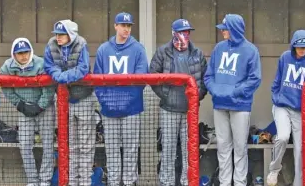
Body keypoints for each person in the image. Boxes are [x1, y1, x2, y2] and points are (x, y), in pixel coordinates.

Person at [204, 14, 262, 185]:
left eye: (225, 29)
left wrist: (233, 92)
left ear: (234, 30)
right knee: (223, 147)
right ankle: (224, 183)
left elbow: (255, 79)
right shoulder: (219, 48)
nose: (222, 32)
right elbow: (209, 76)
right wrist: (216, 91)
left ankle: (239, 182)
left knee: (240, 148)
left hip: (240, 106)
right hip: (219, 105)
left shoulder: (251, 50)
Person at [149, 18, 207, 186]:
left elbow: (205, 79)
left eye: (187, 32)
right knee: (168, 150)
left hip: (190, 110)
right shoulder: (163, 51)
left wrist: (197, 97)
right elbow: (153, 75)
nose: (185, 35)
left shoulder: (197, 52)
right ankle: (166, 183)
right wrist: (165, 95)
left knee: (189, 151)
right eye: (182, 32)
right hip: (168, 109)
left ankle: (187, 182)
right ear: (174, 33)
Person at [93, 12, 148, 186]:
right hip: (110, 109)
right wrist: (106, 101)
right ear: (115, 26)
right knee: (112, 150)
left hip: (131, 109)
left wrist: (126, 100)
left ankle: (130, 182)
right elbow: (97, 79)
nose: (126, 29)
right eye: (123, 25)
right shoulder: (103, 49)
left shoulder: (138, 48)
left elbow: (142, 79)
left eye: (129, 26)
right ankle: (114, 182)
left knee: (131, 149)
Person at [267, 30, 305, 186]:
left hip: (302, 111)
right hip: (282, 106)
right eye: (298, 46)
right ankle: (274, 170)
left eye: (304, 46)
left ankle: (299, 183)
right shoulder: (285, 57)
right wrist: (276, 97)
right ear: (293, 45)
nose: (301, 49)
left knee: (301, 150)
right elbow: (277, 81)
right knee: (283, 137)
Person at [44, 20, 96, 186]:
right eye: (57, 34)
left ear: (71, 35)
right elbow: (48, 66)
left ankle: (85, 182)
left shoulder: (81, 44)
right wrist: (58, 75)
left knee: (86, 146)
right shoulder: (51, 45)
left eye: (62, 34)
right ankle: (72, 182)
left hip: (83, 98)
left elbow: (83, 68)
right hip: (64, 101)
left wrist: (62, 77)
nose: (58, 37)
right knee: (70, 146)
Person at [0, 37, 55, 186]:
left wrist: (40, 106)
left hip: (45, 108)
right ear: (14, 54)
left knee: (48, 144)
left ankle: (45, 180)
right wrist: (20, 105)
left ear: (31, 51)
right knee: (24, 145)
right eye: (20, 53)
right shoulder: (7, 67)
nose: (24, 56)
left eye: (26, 52)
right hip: (24, 109)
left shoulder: (41, 63)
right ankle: (32, 180)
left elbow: (49, 88)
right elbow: (6, 88)